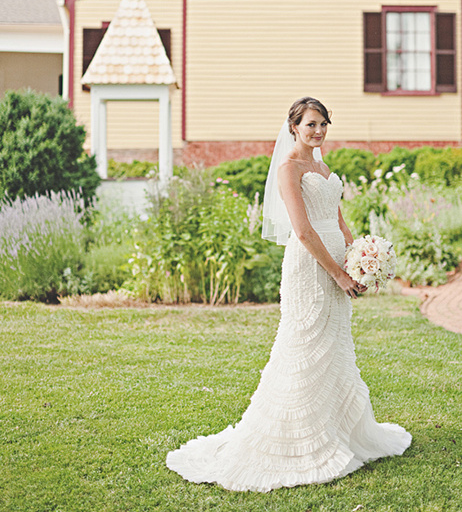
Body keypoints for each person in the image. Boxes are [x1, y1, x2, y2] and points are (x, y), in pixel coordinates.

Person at [166, 97, 411, 492]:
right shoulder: (289, 169)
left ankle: (338, 430)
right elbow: (302, 230)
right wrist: (337, 274)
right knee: (303, 347)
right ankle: (296, 439)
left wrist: (357, 259)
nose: (318, 131)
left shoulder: (323, 167)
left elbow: (337, 219)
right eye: (311, 124)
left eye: (323, 123)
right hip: (309, 269)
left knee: (334, 345)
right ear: (294, 127)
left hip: (336, 263)